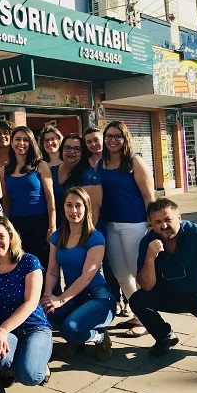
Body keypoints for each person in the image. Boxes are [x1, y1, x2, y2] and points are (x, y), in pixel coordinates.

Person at [132, 198, 197, 358]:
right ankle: (165, 336)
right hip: (169, 294)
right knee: (137, 300)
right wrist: (150, 257)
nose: (164, 226)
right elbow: (147, 286)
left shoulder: (196, 233)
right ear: (150, 223)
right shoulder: (148, 242)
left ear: (179, 218)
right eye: (158, 222)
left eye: (168, 219)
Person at [0, 216, 52, 387]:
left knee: (30, 376)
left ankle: (39, 363)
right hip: (3, 328)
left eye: (1, 236)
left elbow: (31, 302)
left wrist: (2, 330)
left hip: (33, 326)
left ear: (10, 237)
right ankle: (11, 365)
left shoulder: (29, 262)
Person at [42, 188, 115, 360]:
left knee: (71, 329)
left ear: (86, 208)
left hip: (98, 298)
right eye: (69, 205)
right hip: (74, 297)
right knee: (46, 314)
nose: (73, 210)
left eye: (78, 206)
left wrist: (61, 300)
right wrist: (47, 297)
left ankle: (100, 336)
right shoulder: (58, 236)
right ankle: (77, 338)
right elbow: (52, 271)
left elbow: (87, 276)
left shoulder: (95, 238)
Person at [97, 120, 155, 336]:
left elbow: (149, 196)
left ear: (125, 139)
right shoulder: (101, 164)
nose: (112, 140)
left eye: (117, 136)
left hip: (135, 224)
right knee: (120, 274)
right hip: (110, 225)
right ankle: (139, 312)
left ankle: (148, 318)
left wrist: (152, 224)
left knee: (137, 272)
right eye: (109, 136)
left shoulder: (134, 161)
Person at [1, 126, 55, 269]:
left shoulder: (41, 165)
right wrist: (7, 226)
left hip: (40, 222)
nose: (21, 143)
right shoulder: (4, 171)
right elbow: (6, 200)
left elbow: (50, 198)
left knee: (42, 265)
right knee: (21, 264)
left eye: (26, 140)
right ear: (12, 142)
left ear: (31, 143)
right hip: (16, 224)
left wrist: (52, 227)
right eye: (17, 139)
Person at [84, 126, 124, 314]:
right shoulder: (85, 163)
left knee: (121, 262)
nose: (93, 144)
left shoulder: (114, 161)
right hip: (97, 218)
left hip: (118, 214)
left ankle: (129, 300)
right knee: (108, 261)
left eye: (96, 139)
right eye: (89, 141)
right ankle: (114, 298)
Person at [50, 133, 102, 227]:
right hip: (57, 228)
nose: (72, 152)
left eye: (77, 149)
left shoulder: (89, 176)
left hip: (82, 230)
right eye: (67, 148)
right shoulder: (51, 171)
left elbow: (93, 213)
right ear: (61, 150)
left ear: (82, 152)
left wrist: (80, 235)